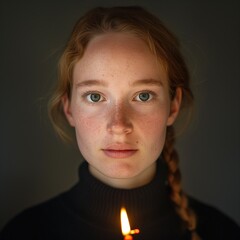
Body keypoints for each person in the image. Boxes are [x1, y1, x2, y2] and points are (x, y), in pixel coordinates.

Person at [0, 6, 239, 240]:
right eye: (95, 96)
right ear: (69, 108)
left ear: (173, 105)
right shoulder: (25, 232)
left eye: (143, 96)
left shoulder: (220, 232)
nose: (118, 125)